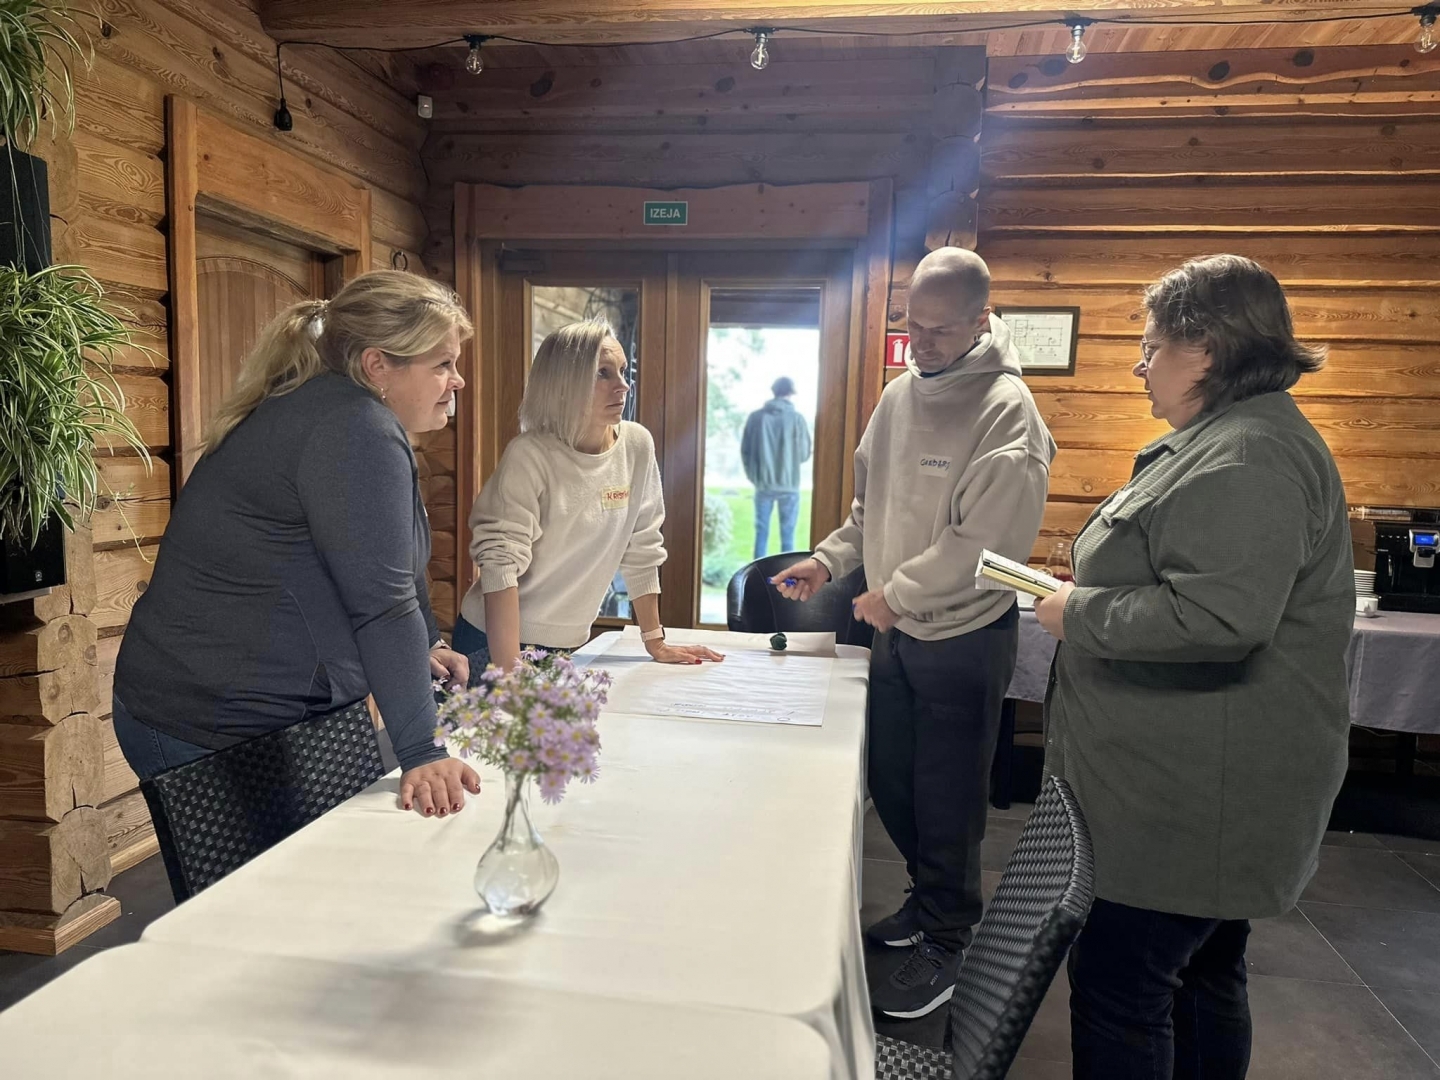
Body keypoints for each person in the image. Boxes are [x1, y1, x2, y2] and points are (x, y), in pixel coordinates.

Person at [1033, 255, 1352, 1080]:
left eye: (1150, 348)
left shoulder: (1249, 453)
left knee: (1121, 987)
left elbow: (1218, 617)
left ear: (1204, 348)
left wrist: (1079, 613)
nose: (1139, 367)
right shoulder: (1229, 438)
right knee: (1201, 976)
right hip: (1192, 786)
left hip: (1188, 803)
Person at [774, 248, 1056, 1019]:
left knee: (949, 792)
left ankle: (948, 937)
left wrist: (895, 594)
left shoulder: (1007, 412)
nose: (921, 344)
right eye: (912, 327)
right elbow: (871, 514)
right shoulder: (900, 396)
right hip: (896, 627)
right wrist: (827, 562)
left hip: (963, 634)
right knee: (893, 779)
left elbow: (986, 549)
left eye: (938, 331)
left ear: (979, 321)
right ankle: (924, 897)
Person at [113, 271, 480, 820]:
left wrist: (426, 642)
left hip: (267, 705)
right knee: (268, 901)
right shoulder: (353, 427)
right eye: (442, 365)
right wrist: (423, 752)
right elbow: (382, 604)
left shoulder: (348, 416)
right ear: (378, 365)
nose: (458, 381)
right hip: (210, 714)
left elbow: (392, 569)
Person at [453, 320, 722, 673]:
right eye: (603, 374)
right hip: (492, 643)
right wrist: (508, 672)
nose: (623, 386)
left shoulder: (637, 445)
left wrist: (655, 641)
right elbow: (500, 562)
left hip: (569, 645)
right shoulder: (530, 455)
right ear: (564, 384)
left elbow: (642, 548)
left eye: (623, 372)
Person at [741, 376, 812, 558]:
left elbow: (746, 451)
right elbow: (804, 454)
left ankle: (755, 581)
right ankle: (787, 582)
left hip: (763, 485)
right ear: (790, 393)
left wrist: (754, 477)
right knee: (788, 537)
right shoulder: (797, 420)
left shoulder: (756, 418)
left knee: (761, 534)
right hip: (789, 486)